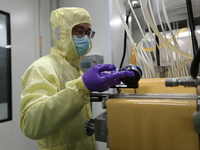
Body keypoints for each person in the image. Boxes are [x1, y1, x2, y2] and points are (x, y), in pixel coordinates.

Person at [20, 7, 135, 150]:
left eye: (88, 32)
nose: (86, 38)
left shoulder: (76, 68)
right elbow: (31, 125)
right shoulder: (42, 67)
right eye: (80, 31)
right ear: (61, 33)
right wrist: (82, 87)